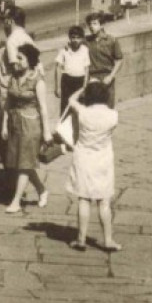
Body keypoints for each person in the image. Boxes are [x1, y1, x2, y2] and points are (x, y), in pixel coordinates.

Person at [60, 81, 121, 252]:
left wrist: (82, 88)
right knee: (104, 201)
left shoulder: (83, 112)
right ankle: (108, 240)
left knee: (84, 199)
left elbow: (71, 100)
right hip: (103, 159)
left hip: (84, 158)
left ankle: (81, 239)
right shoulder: (113, 115)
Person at [0, 42, 51, 214]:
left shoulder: (37, 80)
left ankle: (16, 201)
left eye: (21, 58)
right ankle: (42, 190)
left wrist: (47, 131)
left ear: (30, 60)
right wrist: (4, 125)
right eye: (16, 58)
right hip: (15, 123)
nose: (16, 62)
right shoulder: (14, 78)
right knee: (21, 163)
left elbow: (43, 108)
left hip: (31, 124)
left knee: (23, 164)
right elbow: (8, 103)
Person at [84, 15, 125, 108]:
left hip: (107, 77)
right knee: (91, 107)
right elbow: (74, 44)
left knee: (108, 107)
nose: (91, 27)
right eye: (89, 24)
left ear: (101, 25)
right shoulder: (86, 41)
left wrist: (111, 76)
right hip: (92, 78)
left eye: (95, 23)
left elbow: (119, 59)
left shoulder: (111, 40)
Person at [53, 26, 92, 110]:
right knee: (66, 108)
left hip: (80, 81)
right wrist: (58, 87)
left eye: (78, 38)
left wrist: (85, 86)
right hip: (67, 81)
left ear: (82, 39)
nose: (75, 40)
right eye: (73, 37)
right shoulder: (64, 50)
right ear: (69, 38)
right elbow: (58, 68)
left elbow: (86, 69)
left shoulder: (85, 49)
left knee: (81, 107)